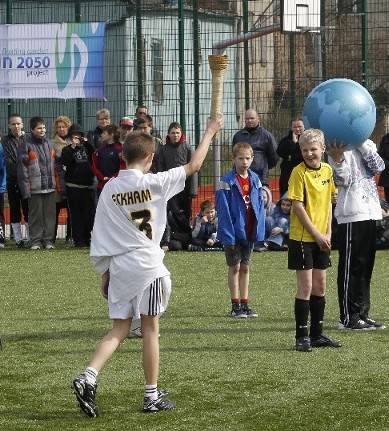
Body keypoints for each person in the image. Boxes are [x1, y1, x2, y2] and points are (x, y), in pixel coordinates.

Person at [71, 114, 224, 418]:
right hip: (147, 266)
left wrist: (105, 272)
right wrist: (209, 131)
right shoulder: (156, 182)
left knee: (119, 329)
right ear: (151, 157)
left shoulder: (110, 190)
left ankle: (88, 376)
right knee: (151, 331)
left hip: (120, 268)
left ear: (122, 156)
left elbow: (99, 234)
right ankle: (151, 395)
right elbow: (194, 166)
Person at [288, 128, 341, 351]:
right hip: (302, 238)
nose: (310, 154)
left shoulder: (328, 170)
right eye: (305, 150)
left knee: (320, 286)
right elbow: (297, 206)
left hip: (322, 238)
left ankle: (317, 334)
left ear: (323, 149)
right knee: (306, 286)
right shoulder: (298, 173)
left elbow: (330, 201)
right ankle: (301, 336)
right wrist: (317, 234)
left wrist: (327, 232)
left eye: (313, 149)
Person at [326, 138, 386, 331]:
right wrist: (338, 159)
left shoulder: (366, 144)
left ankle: (362, 313)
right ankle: (348, 316)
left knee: (365, 266)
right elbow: (342, 180)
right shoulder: (336, 146)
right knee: (351, 267)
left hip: (371, 211)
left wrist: (362, 144)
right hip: (351, 213)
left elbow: (378, 166)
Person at [215, 142, 266, 319]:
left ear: (252, 159)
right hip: (233, 232)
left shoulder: (255, 180)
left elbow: (259, 206)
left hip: (249, 231)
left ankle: (245, 304)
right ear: (233, 159)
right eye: (240, 158)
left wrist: (259, 230)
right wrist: (227, 233)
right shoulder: (226, 181)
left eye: (247, 158)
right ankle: (235, 305)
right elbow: (223, 210)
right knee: (235, 267)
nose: (244, 161)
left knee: (245, 267)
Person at [18, 117, 58, 250]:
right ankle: (35, 241)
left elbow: (57, 166)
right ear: (32, 129)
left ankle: (48, 241)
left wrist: (58, 185)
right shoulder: (25, 144)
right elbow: (22, 169)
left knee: (50, 215)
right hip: (34, 188)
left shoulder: (51, 143)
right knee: (35, 215)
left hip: (50, 187)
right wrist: (25, 188)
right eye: (39, 128)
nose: (42, 130)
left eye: (44, 127)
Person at [155, 122, 197, 234]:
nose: (175, 135)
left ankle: (186, 236)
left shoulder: (187, 148)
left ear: (181, 133)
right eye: (173, 133)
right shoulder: (163, 150)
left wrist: (193, 190)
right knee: (173, 212)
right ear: (168, 134)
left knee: (186, 212)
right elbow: (160, 169)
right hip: (170, 186)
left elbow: (193, 169)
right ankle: (174, 236)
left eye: (177, 133)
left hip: (185, 187)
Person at [60, 124, 96, 248]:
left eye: (79, 135)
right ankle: (78, 240)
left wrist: (85, 142)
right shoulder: (67, 150)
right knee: (76, 215)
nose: (77, 137)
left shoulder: (87, 148)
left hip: (88, 186)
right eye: (74, 135)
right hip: (73, 187)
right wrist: (73, 147)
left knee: (89, 215)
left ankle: (87, 238)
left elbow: (95, 153)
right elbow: (66, 162)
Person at [2, 114, 29, 246]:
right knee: (14, 209)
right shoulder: (4, 140)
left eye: (18, 123)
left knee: (28, 208)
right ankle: (18, 239)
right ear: (9, 126)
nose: (16, 126)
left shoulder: (28, 139)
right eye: (13, 124)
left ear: (22, 124)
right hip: (11, 180)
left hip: (26, 180)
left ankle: (30, 237)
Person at [232, 109, 278, 185]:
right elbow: (235, 155)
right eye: (247, 119)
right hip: (240, 177)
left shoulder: (267, 136)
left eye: (252, 118)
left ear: (258, 119)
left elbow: (274, 156)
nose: (249, 121)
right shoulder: (238, 136)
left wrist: (263, 166)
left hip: (260, 178)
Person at [52, 115, 72, 244]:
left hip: (71, 181)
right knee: (55, 211)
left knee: (71, 211)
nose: (61, 129)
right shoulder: (52, 143)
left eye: (63, 126)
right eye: (59, 127)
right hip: (58, 182)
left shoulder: (74, 141)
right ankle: (51, 237)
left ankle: (69, 236)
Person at [92, 124, 124, 200]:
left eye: (104, 133)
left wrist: (113, 178)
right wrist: (102, 177)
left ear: (111, 135)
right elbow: (94, 165)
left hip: (116, 186)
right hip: (101, 186)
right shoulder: (100, 150)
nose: (101, 135)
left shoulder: (120, 150)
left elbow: (123, 166)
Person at [276, 117, 304, 196]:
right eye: (295, 127)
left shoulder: (307, 140)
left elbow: (302, 157)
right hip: (287, 174)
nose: (297, 129)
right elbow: (280, 152)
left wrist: (290, 157)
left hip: (303, 173)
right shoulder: (285, 140)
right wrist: (293, 143)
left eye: (299, 126)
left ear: (304, 127)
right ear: (291, 128)